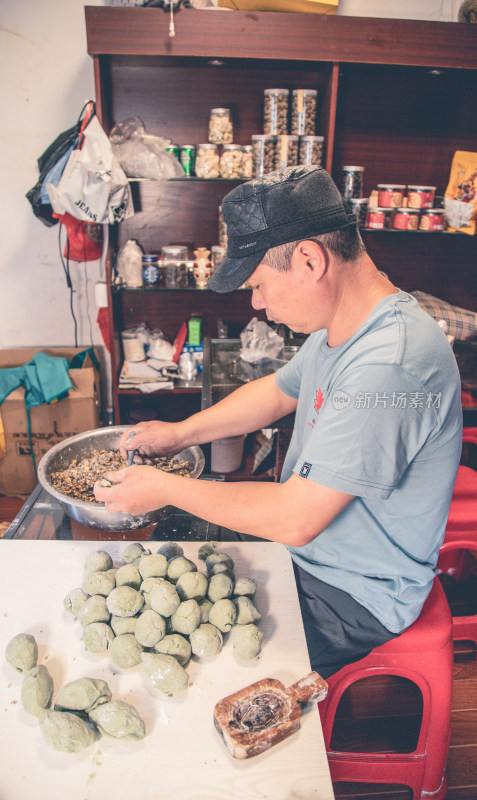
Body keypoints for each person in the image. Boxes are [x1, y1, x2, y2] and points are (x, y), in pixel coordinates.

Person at [94, 165, 463, 678]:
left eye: (260, 284)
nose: (257, 303)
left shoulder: (389, 365)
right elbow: (274, 393)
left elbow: (295, 517)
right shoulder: (345, 324)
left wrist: (165, 488)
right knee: (171, 563)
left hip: (351, 589)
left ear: (310, 260)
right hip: (307, 549)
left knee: (193, 663)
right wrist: (180, 434)